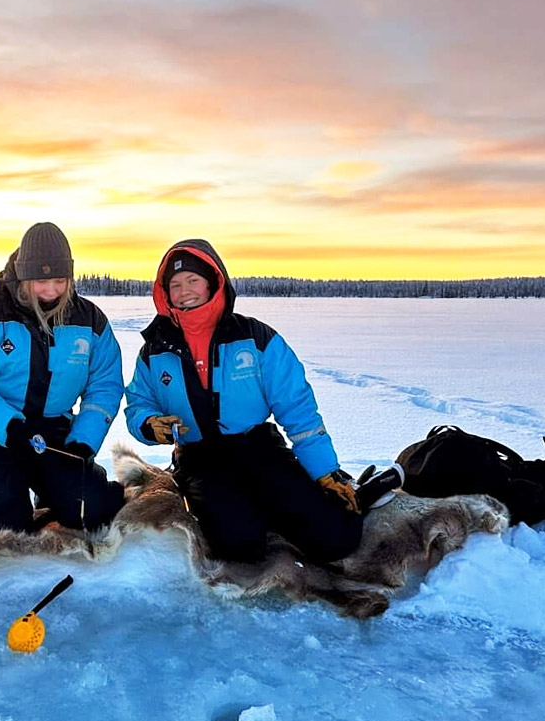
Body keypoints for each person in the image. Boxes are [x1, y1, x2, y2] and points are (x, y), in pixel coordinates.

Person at [124, 239, 402, 564]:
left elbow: (297, 407)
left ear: (214, 281)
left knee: (337, 539)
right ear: (165, 292)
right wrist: (148, 424)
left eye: (193, 281)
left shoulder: (255, 338)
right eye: (175, 284)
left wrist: (324, 470)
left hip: (258, 448)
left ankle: (356, 490)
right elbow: (138, 402)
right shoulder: (155, 349)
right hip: (200, 458)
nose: (184, 290)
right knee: (239, 547)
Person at [0, 222, 127, 539]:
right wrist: (8, 426)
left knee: (93, 512)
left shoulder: (90, 321)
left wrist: (84, 439)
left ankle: (53, 492)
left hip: (55, 435)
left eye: (60, 280)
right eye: (42, 280)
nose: (52, 290)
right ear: (23, 276)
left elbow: (104, 386)